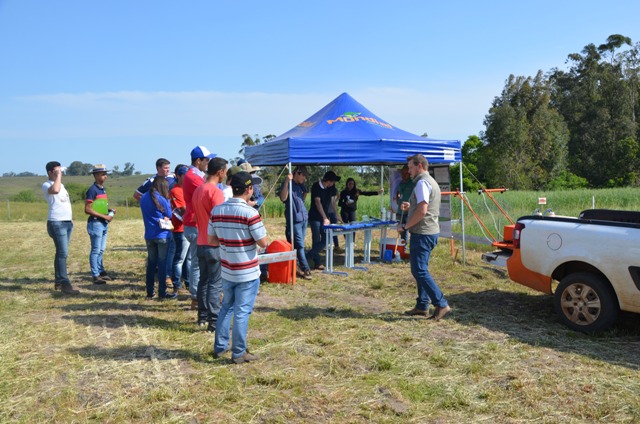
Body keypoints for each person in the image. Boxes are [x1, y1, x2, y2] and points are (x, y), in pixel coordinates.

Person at [210, 171, 268, 364]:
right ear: (249, 189)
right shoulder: (251, 213)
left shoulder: (217, 211)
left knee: (226, 307)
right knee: (242, 312)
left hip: (227, 269)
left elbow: (211, 239)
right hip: (247, 272)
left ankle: (220, 347)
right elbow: (263, 242)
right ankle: (239, 352)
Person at [398, 154, 451, 320]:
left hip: (422, 233)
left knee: (419, 270)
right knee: (421, 269)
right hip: (429, 231)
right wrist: (411, 206)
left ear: (419, 166)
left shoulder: (421, 182)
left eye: (410, 167)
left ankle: (441, 304)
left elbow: (422, 211)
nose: (408, 171)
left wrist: (405, 226)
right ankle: (422, 305)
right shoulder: (430, 181)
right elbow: (422, 206)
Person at [192, 157, 228, 331]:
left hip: (200, 242)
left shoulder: (198, 190)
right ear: (220, 172)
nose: (225, 175)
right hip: (213, 244)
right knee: (215, 283)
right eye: (225, 171)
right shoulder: (216, 192)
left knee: (203, 281)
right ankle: (214, 321)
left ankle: (202, 316)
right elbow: (219, 220)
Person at [183, 146, 217, 309]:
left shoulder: (195, 175)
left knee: (198, 260)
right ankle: (196, 297)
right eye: (206, 160)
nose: (208, 163)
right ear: (198, 161)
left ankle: (199, 295)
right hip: (194, 223)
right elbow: (209, 190)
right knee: (197, 262)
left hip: (196, 222)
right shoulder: (193, 177)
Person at [42, 161, 79, 295]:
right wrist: (57, 177)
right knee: (62, 253)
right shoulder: (47, 184)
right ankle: (64, 283)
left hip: (66, 222)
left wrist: (70, 219)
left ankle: (59, 281)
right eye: (57, 171)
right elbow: (55, 190)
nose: (60, 173)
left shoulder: (61, 185)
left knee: (61, 252)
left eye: (60, 171)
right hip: (56, 222)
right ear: (50, 173)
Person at [140, 177, 178, 300]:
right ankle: (162, 292)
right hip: (162, 234)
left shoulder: (144, 197)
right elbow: (169, 214)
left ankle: (150, 292)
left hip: (149, 235)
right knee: (162, 264)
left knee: (151, 264)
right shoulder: (161, 198)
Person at [279, 166, 312, 280]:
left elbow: (305, 193)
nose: (304, 178)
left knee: (299, 245)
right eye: (303, 175)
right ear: (297, 173)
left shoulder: (300, 185)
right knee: (300, 245)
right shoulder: (288, 183)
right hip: (295, 219)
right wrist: (287, 181)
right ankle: (306, 269)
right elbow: (283, 198)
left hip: (303, 218)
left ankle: (296, 266)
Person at [84, 164, 115, 285]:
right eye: (103, 174)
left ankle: (101, 272)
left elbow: (98, 207)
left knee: (101, 250)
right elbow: (88, 209)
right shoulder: (92, 190)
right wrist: (105, 216)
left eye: (105, 174)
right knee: (96, 250)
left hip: (102, 222)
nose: (105, 176)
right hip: (96, 223)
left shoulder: (102, 189)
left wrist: (108, 211)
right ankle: (95, 275)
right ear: (96, 175)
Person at [307, 170, 341, 270]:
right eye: (333, 181)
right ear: (328, 181)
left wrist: (337, 215)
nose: (333, 183)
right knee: (316, 240)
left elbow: (332, 202)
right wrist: (325, 217)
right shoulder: (316, 186)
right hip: (315, 218)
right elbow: (317, 203)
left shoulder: (330, 189)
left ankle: (307, 256)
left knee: (326, 240)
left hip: (324, 218)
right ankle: (317, 263)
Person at [169, 164, 190, 293]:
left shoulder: (185, 189)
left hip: (187, 227)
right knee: (179, 259)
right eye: (184, 176)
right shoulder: (175, 190)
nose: (187, 178)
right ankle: (177, 283)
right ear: (177, 176)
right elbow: (183, 209)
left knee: (188, 259)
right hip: (180, 229)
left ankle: (188, 282)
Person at [395, 165, 415, 247]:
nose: (403, 175)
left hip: (408, 211)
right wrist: (398, 200)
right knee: (401, 230)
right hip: (400, 211)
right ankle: (402, 246)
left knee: (406, 229)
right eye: (402, 173)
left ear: (409, 174)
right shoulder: (401, 183)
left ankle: (405, 247)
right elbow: (398, 192)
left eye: (405, 173)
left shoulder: (412, 184)